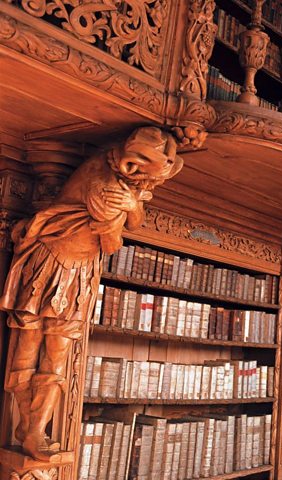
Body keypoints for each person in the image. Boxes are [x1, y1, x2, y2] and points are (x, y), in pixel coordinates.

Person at [0, 127, 183, 461]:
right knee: (31, 349)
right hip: (54, 267)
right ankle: (29, 429)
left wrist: (133, 206)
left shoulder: (117, 175)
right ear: (132, 165)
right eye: (150, 176)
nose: (150, 185)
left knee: (52, 354)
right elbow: (113, 241)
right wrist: (130, 207)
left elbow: (135, 221)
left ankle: (32, 430)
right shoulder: (108, 185)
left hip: (77, 268)